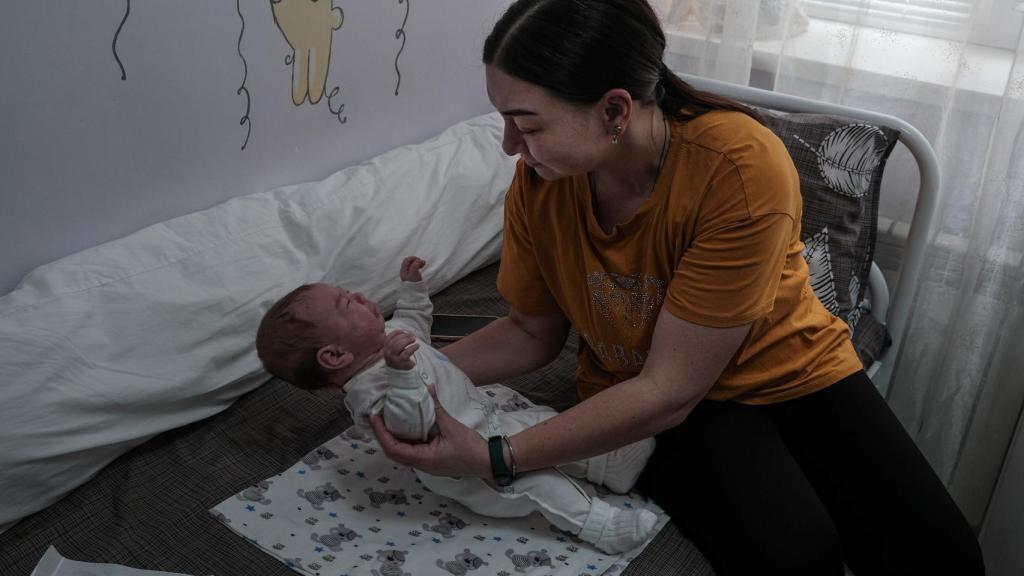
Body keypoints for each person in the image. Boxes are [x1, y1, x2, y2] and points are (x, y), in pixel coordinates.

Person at [366, 1, 987, 575]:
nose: (509, 148)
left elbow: (671, 388)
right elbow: (532, 331)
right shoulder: (541, 185)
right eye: (504, 121)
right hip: (655, 392)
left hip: (785, 369)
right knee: (798, 555)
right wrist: (409, 370)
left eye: (526, 125)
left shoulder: (739, 168)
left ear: (614, 110)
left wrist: (495, 455)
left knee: (943, 557)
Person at [255, 256, 659, 554]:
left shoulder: (387, 336)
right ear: (335, 357)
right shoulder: (369, 391)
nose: (360, 296)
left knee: (546, 425)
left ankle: (610, 463)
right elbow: (413, 427)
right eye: (347, 304)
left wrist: (412, 291)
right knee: (538, 485)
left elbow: (415, 325)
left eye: (348, 293)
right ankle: (601, 525)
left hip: (489, 419)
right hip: (460, 466)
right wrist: (401, 372)